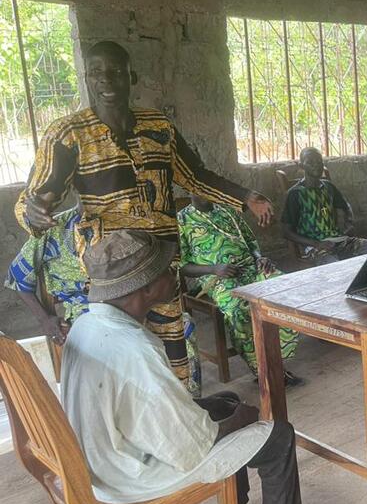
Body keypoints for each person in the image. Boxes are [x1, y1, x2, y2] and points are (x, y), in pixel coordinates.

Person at [15, 41, 273, 393]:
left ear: (130, 77)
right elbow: (37, 197)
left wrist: (246, 197)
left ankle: (182, 423)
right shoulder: (68, 135)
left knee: (173, 355)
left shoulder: (158, 127)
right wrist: (34, 208)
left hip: (162, 266)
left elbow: (194, 176)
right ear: (87, 78)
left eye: (116, 72)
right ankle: (136, 438)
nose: (107, 80)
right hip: (113, 276)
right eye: (97, 73)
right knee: (123, 363)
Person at [61, 231, 303, 504]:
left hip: (102, 456)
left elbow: (139, 406)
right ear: (145, 287)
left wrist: (215, 411)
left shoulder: (86, 326)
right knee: (278, 435)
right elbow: (190, 446)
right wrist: (241, 419)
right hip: (129, 476)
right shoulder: (136, 350)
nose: (175, 274)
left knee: (221, 405)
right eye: (166, 269)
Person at [178, 196, 302, 386]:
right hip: (217, 278)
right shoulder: (182, 220)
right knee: (238, 310)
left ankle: (277, 361)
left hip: (250, 268)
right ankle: (263, 371)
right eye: (198, 188)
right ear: (190, 190)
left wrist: (260, 258)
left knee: (286, 289)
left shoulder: (227, 210)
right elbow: (182, 266)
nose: (204, 193)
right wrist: (214, 269)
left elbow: (251, 243)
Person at [282, 147, 367, 264]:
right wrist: (316, 243)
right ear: (301, 165)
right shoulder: (295, 194)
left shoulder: (328, 187)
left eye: (319, 162)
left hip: (341, 241)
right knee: (337, 269)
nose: (316, 165)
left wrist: (349, 224)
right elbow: (286, 232)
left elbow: (346, 206)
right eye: (310, 162)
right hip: (316, 248)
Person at [5, 201, 87, 346]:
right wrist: (45, 319)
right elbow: (17, 275)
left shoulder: (127, 222)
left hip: (129, 304)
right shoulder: (53, 230)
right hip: (87, 311)